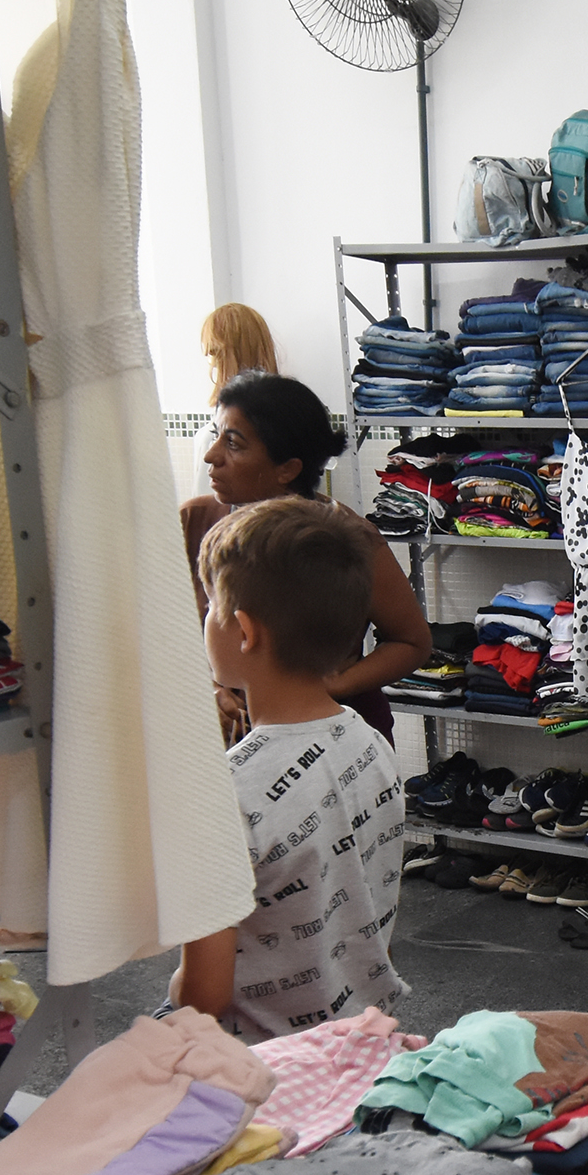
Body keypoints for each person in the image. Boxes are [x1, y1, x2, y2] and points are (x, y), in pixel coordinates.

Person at [171, 497, 411, 1039]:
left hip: (264, 1058)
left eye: (210, 606)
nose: (205, 619)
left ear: (244, 631)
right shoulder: (371, 744)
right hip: (360, 1037)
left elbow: (203, 998)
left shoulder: (224, 791)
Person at [181, 371, 430, 744]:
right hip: (230, 742)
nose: (211, 455)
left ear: (288, 468)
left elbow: (411, 642)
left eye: (233, 443)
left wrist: (327, 688)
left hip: (333, 737)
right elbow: (161, 632)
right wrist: (211, 687)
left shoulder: (345, 538)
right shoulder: (195, 522)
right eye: (216, 435)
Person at [188, 303, 280, 498]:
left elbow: (209, 500)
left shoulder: (223, 431)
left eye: (212, 350)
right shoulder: (280, 409)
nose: (208, 357)